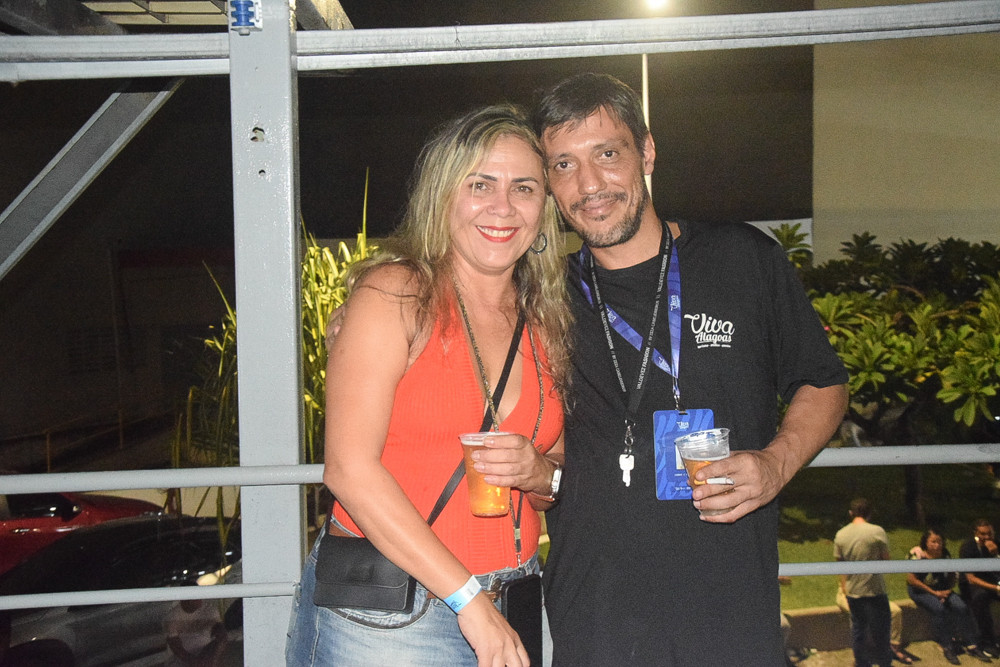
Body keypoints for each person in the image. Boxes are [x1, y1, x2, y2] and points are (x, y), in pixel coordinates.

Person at [532, 72, 849, 665]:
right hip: (595, 622)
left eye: (607, 154)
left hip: (731, 616)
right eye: (564, 165)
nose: (589, 185)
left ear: (646, 152)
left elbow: (823, 380)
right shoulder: (545, 297)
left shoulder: (744, 259)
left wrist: (777, 463)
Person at [285, 104, 570, 666]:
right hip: (390, 615)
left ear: (544, 208)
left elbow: (555, 468)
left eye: (524, 188)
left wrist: (540, 472)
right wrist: (468, 600)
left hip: (514, 596)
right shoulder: (397, 294)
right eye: (480, 184)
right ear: (443, 195)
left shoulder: (547, 320)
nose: (503, 207)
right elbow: (348, 470)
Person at [907, 528, 992, 664]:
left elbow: (952, 574)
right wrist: (935, 594)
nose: (937, 545)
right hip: (921, 590)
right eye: (933, 542)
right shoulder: (917, 554)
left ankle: (971, 644)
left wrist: (948, 590)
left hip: (941, 588)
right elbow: (912, 580)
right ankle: (947, 646)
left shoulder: (944, 554)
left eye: (939, 542)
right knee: (939, 609)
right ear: (926, 542)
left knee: (961, 606)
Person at [834, 498, 893, 667]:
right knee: (881, 632)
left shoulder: (841, 534)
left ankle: (861, 663)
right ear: (870, 513)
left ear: (850, 513)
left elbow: (840, 565)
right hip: (875, 590)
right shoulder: (877, 532)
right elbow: (886, 560)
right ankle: (884, 663)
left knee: (858, 630)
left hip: (853, 591)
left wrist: (844, 587)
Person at [835, 586, 909, 663]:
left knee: (895, 611)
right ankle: (860, 656)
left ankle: (894, 649)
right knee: (859, 613)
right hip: (849, 596)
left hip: (870, 595)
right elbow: (846, 588)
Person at [960, 519, 1000, 657]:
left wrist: (996, 554)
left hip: (991, 581)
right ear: (976, 534)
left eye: (989, 533)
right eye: (983, 534)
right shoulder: (968, 547)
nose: (987, 537)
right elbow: (971, 578)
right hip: (972, 585)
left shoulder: (996, 544)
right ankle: (987, 642)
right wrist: (996, 588)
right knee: (981, 598)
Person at [164, 599, 228, 666]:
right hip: (179, 659)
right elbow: (177, 648)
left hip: (205, 654)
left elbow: (222, 636)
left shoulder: (210, 610)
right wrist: (197, 662)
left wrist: (213, 657)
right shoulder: (172, 618)